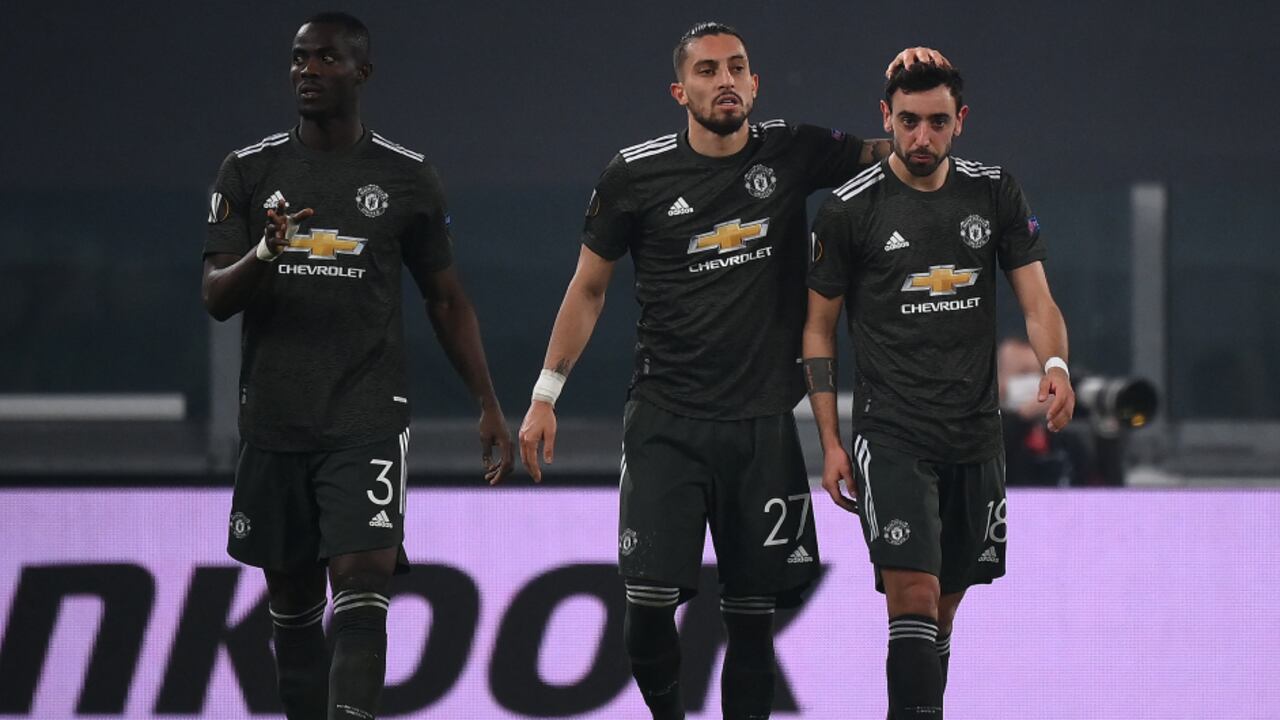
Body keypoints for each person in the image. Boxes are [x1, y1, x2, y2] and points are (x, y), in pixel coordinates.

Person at [517, 21, 944, 720]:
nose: (725, 81)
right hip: (666, 421)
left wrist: (912, 89)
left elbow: (900, 151)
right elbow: (588, 288)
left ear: (754, 83)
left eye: (737, 68)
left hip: (763, 427)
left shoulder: (795, 150)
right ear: (680, 90)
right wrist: (544, 394)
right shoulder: (635, 174)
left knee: (752, 622)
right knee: (647, 609)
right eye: (709, 71)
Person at [201, 12, 512, 720]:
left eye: (326, 59)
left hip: (366, 417)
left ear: (361, 73)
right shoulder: (248, 171)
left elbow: (446, 300)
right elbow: (216, 298)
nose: (307, 71)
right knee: (294, 617)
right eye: (298, 59)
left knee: (364, 591)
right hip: (275, 421)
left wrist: (488, 403)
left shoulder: (405, 178)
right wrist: (265, 253)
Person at [803, 61, 1074, 718]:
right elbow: (818, 330)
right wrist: (832, 442)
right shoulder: (848, 209)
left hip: (975, 434)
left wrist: (1057, 367)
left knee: (943, 609)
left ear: (961, 123)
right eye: (908, 121)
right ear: (885, 117)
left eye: (937, 122)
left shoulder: (993, 193)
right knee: (915, 597)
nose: (921, 137)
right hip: (891, 432)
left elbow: (1036, 301)